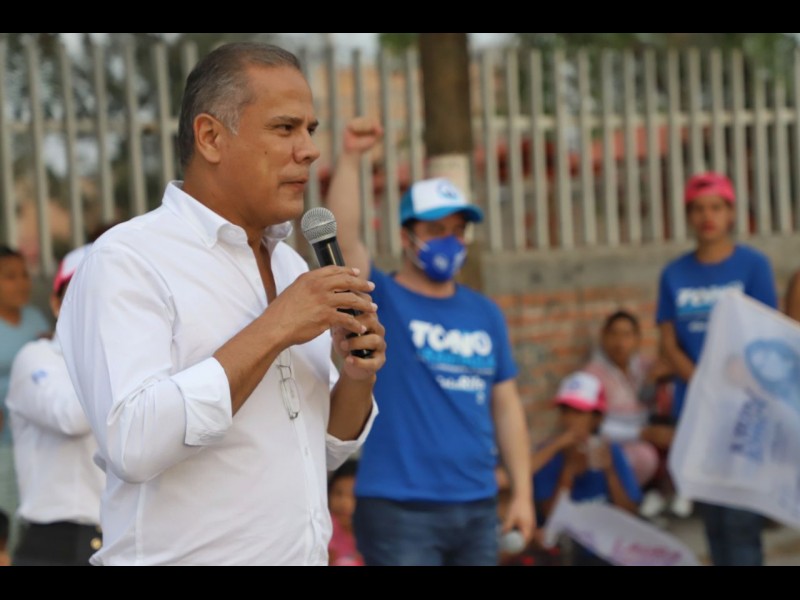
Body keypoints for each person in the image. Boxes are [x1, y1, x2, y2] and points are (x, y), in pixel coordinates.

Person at [56, 42, 387, 567]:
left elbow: (319, 450)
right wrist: (276, 326)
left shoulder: (290, 267)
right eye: (285, 128)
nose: (309, 150)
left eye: (311, 129)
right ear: (210, 137)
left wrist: (356, 375)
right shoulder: (129, 260)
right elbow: (133, 443)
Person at [325, 116, 536, 567]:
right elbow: (343, 239)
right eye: (436, 231)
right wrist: (352, 157)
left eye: (458, 231)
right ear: (407, 236)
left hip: (478, 506)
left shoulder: (485, 313)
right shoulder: (379, 298)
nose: (450, 241)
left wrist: (522, 492)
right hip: (399, 510)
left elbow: (506, 407)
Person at [656, 171, 779, 566]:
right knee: (713, 520)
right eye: (698, 209)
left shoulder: (754, 266)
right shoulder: (674, 274)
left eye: (715, 207)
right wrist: (704, 383)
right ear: (688, 216)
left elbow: (766, 334)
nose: (707, 216)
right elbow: (668, 342)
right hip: (698, 412)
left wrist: (731, 382)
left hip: (744, 411)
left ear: (730, 213)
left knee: (741, 521)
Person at [6, 245, 104, 566]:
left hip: (121, 536)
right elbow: (71, 417)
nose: (95, 305)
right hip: (58, 543)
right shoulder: (36, 357)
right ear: (55, 304)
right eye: (80, 294)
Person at [532, 371, 643, 566]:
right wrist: (569, 470)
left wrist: (610, 472)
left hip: (606, 549)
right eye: (565, 411)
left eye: (579, 412)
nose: (570, 419)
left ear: (596, 418)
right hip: (565, 550)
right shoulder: (549, 454)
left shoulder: (610, 451)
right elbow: (550, 517)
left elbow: (629, 512)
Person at [583, 310, 678, 520]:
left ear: (637, 339)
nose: (620, 342)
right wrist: (641, 433)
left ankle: (663, 496)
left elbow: (669, 366)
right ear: (604, 337)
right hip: (613, 442)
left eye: (627, 335)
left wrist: (654, 378)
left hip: (645, 435)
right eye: (614, 334)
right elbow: (591, 425)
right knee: (643, 457)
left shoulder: (643, 366)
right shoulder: (593, 374)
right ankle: (625, 505)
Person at [0, 245, 51, 557]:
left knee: (30, 510)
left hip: (38, 436)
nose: (22, 283)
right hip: (3, 440)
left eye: (24, 275)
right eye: (10, 276)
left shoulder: (35, 318)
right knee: (5, 509)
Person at [327, 459, 364, 567]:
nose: (344, 503)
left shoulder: (375, 535)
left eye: (353, 496)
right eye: (338, 493)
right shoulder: (326, 530)